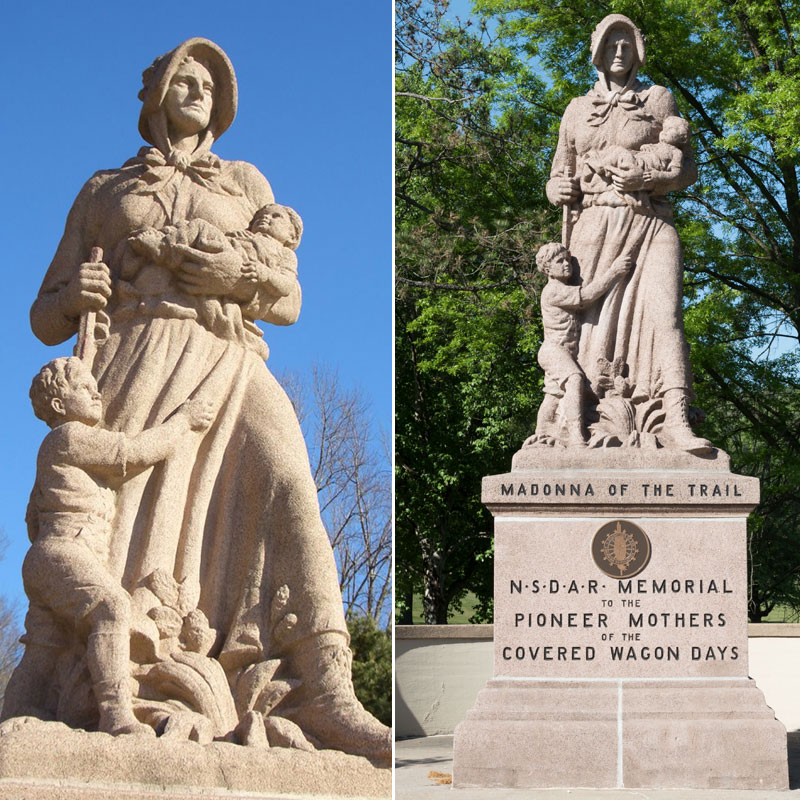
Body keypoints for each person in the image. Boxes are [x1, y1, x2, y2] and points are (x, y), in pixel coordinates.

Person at [25, 38, 389, 758]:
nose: (198, 91)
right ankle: (119, 683)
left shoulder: (246, 182)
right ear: (156, 92)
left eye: (209, 84)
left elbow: (289, 300)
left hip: (226, 355)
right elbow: (44, 316)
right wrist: (74, 295)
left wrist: (238, 269)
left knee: (290, 483)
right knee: (129, 536)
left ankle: (327, 692)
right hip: (133, 363)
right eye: (184, 79)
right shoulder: (104, 190)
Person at [3, 357, 213, 736]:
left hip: (48, 556)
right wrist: (183, 421)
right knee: (111, 607)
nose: (96, 392)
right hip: (63, 551)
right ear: (57, 406)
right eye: (84, 388)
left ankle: (14, 713)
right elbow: (131, 455)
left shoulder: (52, 451)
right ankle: (116, 715)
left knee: (44, 644)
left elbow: (31, 516)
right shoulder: (68, 436)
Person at [546, 14, 712, 453]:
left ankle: (675, 420)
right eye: (611, 43)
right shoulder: (576, 110)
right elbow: (557, 175)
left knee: (666, 314)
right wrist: (556, 187)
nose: (619, 51)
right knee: (591, 328)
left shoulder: (658, 100)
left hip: (650, 220)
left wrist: (646, 180)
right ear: (598, 50)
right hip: (593, 228)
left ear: (637, 51)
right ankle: (579, 420)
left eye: (627, 44)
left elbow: (687, 170)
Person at [532, 243, 633, 445]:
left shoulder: (563, 287)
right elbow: (586, 296)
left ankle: (541, 434)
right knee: (575, 380)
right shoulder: (552, 291)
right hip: (553, 350)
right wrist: (614, 272)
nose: (566, 264)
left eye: (568, 259)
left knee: (553, 394)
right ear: (547, 269)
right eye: (559, 261)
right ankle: (576, 434)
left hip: (565, 352)